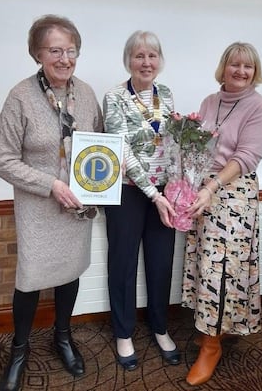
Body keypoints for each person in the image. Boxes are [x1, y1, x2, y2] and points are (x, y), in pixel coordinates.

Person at [0, 14, 103, 391]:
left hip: (77, 208)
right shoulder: (21, 96)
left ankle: (63, 337)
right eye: (55, 50)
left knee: (69, 273)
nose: (65, 58)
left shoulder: (85, 94)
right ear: (37, 53)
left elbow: (100, 147)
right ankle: (19, 350)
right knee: (31, 280)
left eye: (71, 50)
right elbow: (1, 158)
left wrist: (99, 186)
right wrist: (50, 184)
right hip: (38, 208)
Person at [182, 42, 262, 386]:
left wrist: (211, 187)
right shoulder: (209, 101)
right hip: (205, 192)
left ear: (254, 71)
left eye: (247, 66)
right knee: (204, 264)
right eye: (235, 64)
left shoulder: (259, 106)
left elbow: (246, 156)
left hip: (232, 195)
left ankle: (211, 345)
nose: (241, 71)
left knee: (222, 269)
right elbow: (197, 147)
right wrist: (189, 183)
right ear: (225, 67)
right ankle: (211, 326)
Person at [102, 30, 181, 371]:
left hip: (164, 192)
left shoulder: (166, 93)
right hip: (128, 192)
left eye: (152, 55)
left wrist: (176, 186)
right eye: (139, 56)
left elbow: (171, 144)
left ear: (159, 61)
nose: (146, 62)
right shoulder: (115, 96)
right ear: (128, 60)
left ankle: (160, 326)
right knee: (123, 262)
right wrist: (152, 193)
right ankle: (123, 332)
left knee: (161, 262)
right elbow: (122, 149)